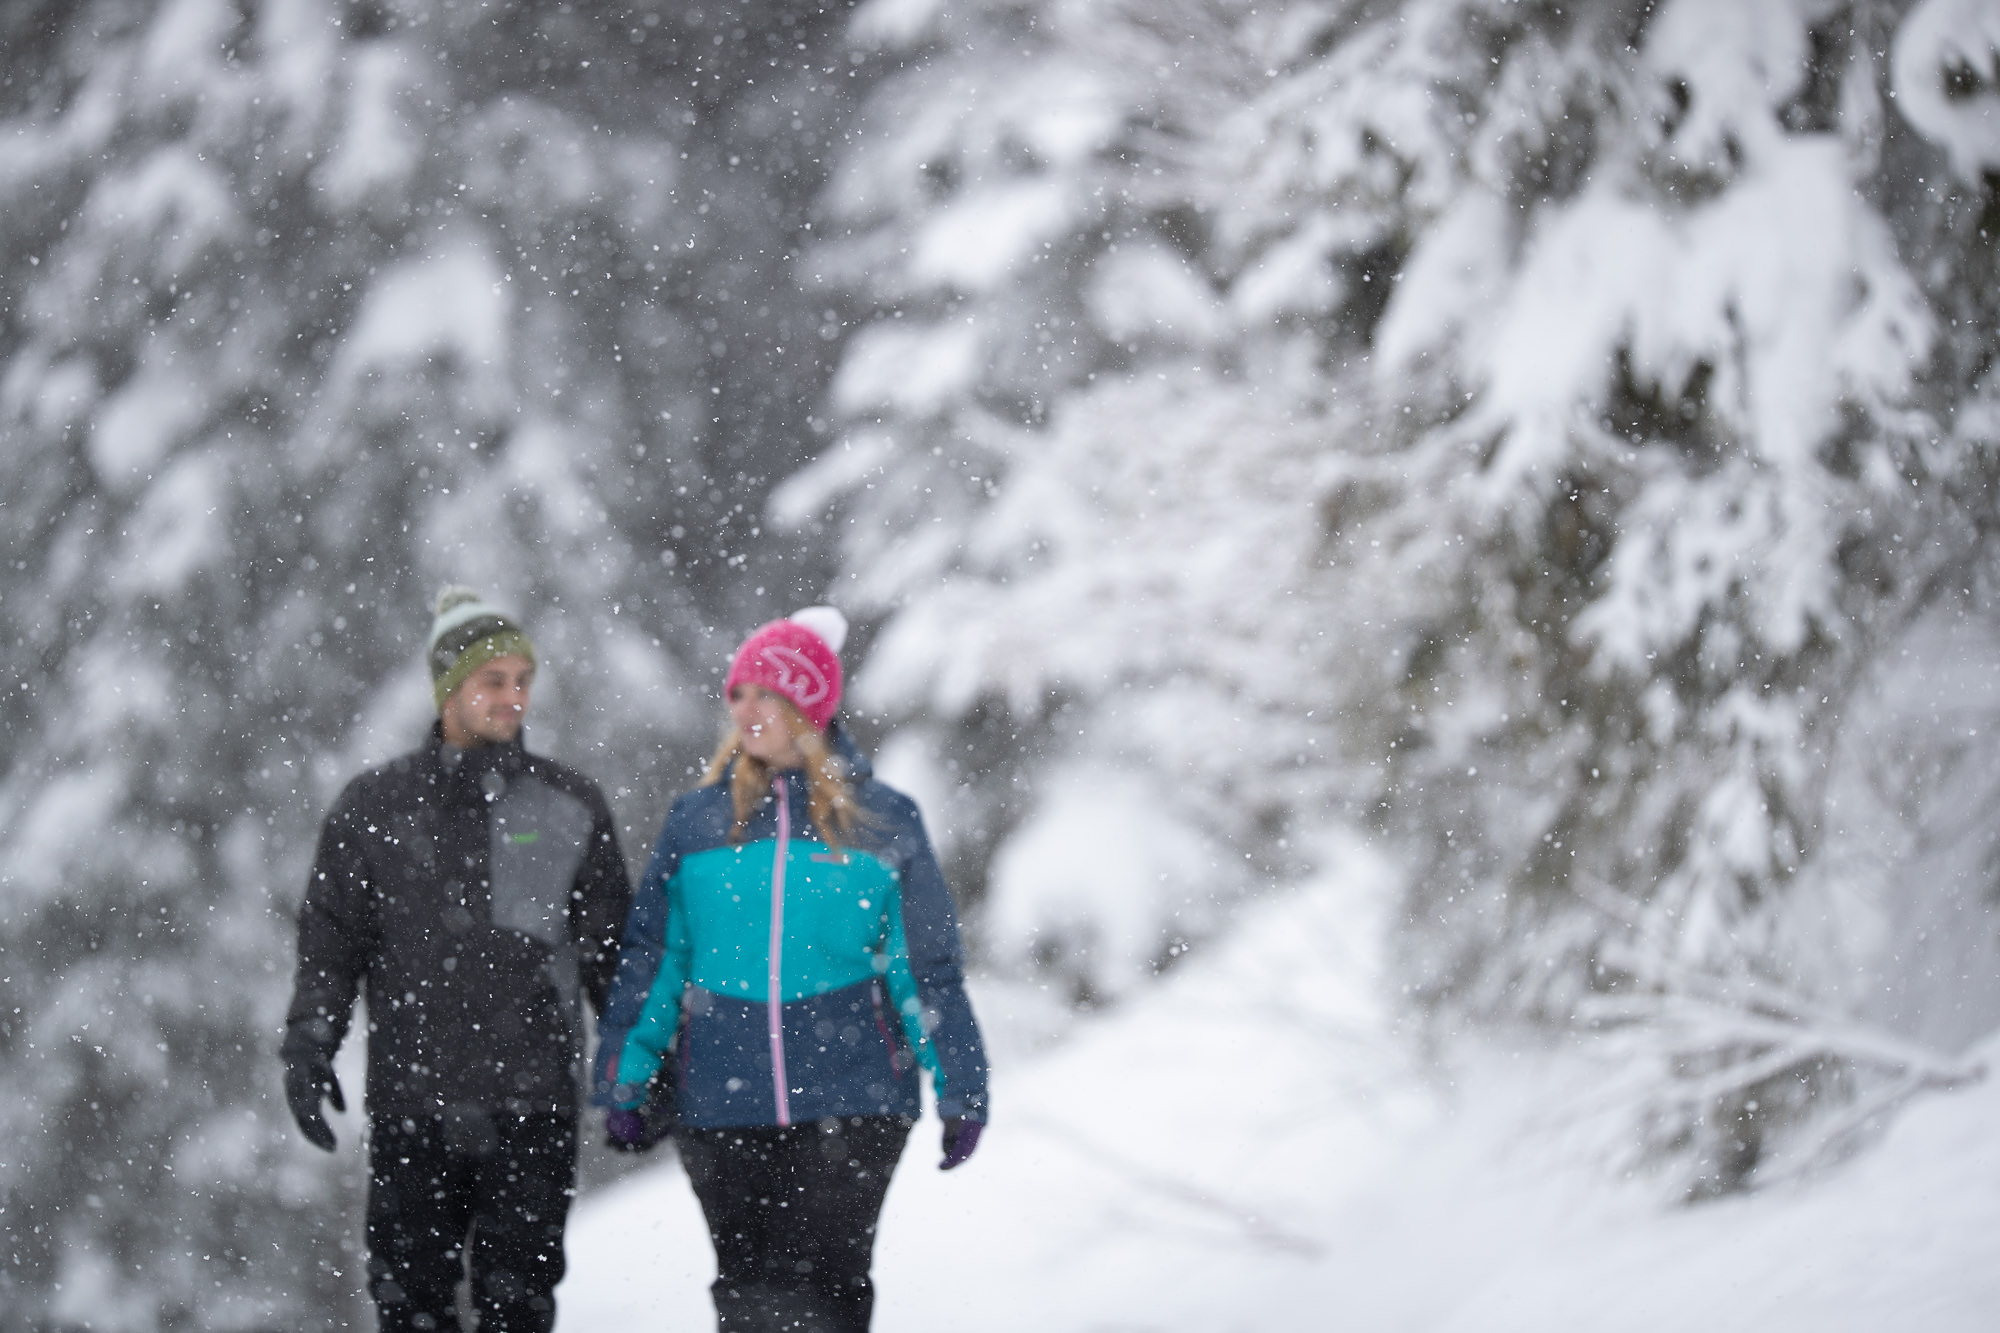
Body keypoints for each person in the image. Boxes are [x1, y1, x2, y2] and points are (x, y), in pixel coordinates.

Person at [595, 606, 988, 1333]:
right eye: (737, 692)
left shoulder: (882, 821)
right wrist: (625, 1071)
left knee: (828, 1301)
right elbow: (655, 957)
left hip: (853, 1096)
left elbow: (925, 969)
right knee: (747, 1300)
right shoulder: (698, 822)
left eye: (764, 693)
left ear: (807, 706)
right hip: (721, 1100)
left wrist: (960, 1082)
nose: (743, 709)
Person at [281, 586, 632, 1333]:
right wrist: (310, 1044)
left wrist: (643, 1069)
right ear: (449, 688)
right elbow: (331, 943)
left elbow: (612, 955)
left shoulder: (569, 804)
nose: (513, 696)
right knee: (410, 1308)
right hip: (414, 1106)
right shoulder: (372, 808)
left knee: (520, 1312)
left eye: (522, 680)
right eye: (493, 680)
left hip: (533, 1106)